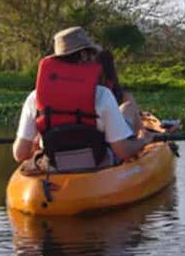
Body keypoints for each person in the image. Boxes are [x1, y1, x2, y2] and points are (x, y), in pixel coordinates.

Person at [13, 26, 154, 169]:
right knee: (127, 109)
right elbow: (123, 151)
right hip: (99, 167)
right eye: (92, 55)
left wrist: (39, 142)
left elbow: (20, 154)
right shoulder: (102, 95)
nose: (94, 59)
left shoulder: (35, 97)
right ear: (84, 56)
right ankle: (141, 132)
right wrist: (143, 141)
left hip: (54, 169)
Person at [96, 49, 144, 134]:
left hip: (79, 130)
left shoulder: (76, 84)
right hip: (109, 135)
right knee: (129, 104)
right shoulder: (107, 89)